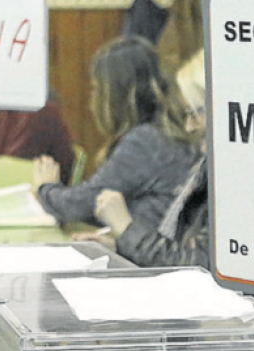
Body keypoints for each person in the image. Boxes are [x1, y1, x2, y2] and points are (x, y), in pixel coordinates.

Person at [31, 36, 198, 231]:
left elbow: (83, 204)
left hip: (153, 260)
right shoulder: (165, 132)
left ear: (114, 95)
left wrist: (46, 189)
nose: (91, 101)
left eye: (96, 89)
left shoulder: (145, 142)